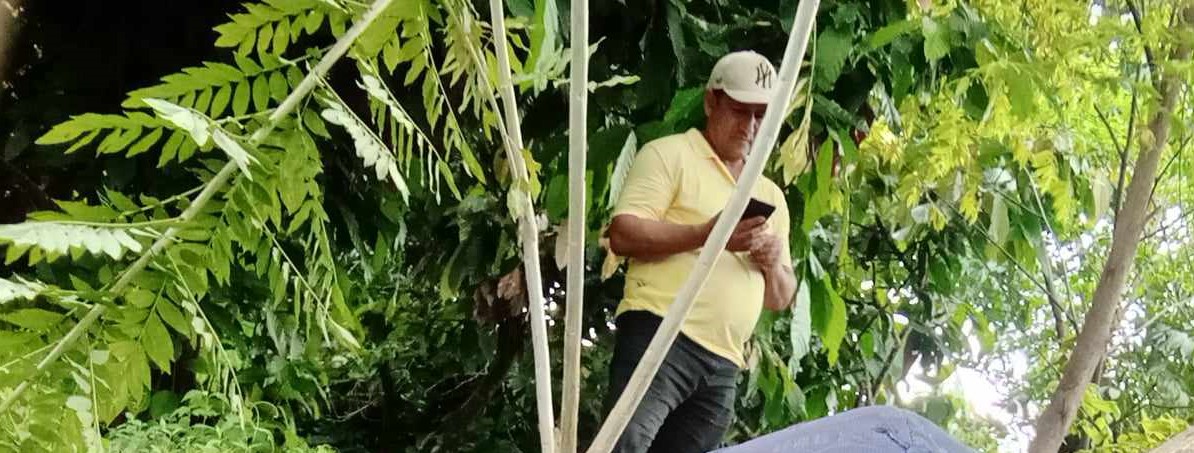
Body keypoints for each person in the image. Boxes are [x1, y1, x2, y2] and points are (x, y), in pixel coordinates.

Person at [603, 50, 798, 453]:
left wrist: (771, 262)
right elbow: (623, 234)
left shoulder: (771, 195)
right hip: (662, 332)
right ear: (711, 102)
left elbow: (780, 298)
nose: (750, 126)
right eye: (740, 111)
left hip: (724, 362)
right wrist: (710, 235)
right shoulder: (669, 154)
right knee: (625, 444)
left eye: (761, 116)